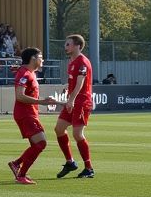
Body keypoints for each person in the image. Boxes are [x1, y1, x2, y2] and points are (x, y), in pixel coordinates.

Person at [8, 47, 57, 185]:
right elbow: (20, 96)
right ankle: (20, 174)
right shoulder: (25, 74)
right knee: (41, 143)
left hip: (29, 113)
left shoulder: (28, 73)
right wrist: (42, 101)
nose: (43, 59)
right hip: (26, 114)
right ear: (33, 59)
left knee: (36, 144)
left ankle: (17, 164)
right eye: (40, 56)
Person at [54, 33, 95, 179]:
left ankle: (89, 168)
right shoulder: (72, 61)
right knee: (59, 129)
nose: (65, 46)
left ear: (77, 46)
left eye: (68, 44)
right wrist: (67, 87)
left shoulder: (82, 61)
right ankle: (70, 162)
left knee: (77, 134)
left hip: (81, 102)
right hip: (73, 100)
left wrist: (71, 100)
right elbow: (74, 81)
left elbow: (80, 83)